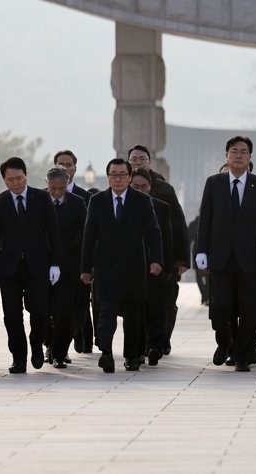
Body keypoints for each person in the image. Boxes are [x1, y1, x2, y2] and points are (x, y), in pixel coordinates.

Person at [195, 135, 256, 372]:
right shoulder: (214, 183)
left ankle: (242, 354)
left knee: (249, 309)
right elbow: (206, 219)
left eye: (243, 151)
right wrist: (201, 250)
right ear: (226, 156)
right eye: (234, 151)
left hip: (250, 258)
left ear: (250, 157)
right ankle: (225, 342)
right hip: (220, 257)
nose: (238, 155)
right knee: (220, 306)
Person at [81, 159, 163, 372]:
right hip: (105, 266)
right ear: (107, 177)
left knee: (133, 315)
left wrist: (156, 260)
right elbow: (89, 235)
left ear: (129, 177)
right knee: (106, 312)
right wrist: (85, 268)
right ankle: (106, 353)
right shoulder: (97, 201)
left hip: (134, 266)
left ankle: (132, 356)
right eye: (113, 174)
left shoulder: (142, 201)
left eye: (121, 174)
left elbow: (153, 232)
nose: (117, 178)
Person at [0, 156, 62, 373]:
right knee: (11, 316)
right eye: (11, 180)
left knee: (39, 312)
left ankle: (37, 345)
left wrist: (55, 264)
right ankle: (18, 357)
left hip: (38, 266)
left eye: (19, 178)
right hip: (9, 269)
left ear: (26, 176)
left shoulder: (42, 198)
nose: (16, 183)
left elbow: (53, 233)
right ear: (4, 180)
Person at [127, 145, 189, 355]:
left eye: (142, 158)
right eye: (133, 159)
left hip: (163, 255)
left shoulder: (164, 189)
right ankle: (146, 343)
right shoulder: (123, 189)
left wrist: (182, 258)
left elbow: (178, 225)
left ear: (149, 161)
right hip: (134, 259)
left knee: (165, 302)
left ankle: (162, 339)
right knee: (139, 303)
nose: (137, 162)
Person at [129, 168, 174, 366]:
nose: (140, 190)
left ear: (151, 187)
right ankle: (138, 349)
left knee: (156, 308)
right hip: (132, 268)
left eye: (143, 187)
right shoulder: (122, 206)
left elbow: (168, 239)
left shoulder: (162, 207)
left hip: (155, 266)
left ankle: (155, 346)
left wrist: (168, 267)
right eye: (135, 187)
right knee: (135, 310)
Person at [45, 165, 88, 368]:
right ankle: (47, 343)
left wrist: (86, 264)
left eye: (60, 189)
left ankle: (59, 353)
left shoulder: (78, 203)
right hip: (41, 266)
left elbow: (86, 235)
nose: (56, 193)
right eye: (52, 189)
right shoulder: (38, 201)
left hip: (69, 266)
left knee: (64, 313)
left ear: (67, 183)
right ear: (47, 185)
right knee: (40, 310)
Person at [54, 150, 96, 356]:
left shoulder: (86, 198)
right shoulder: (43, 196)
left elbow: (90, 233)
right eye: (60, 164)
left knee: (77, 308)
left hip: (75, 263)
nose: (64, 168)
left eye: (68, 164)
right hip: (48, 263)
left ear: (75, 169)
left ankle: (74, 338)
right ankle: (53, 346)